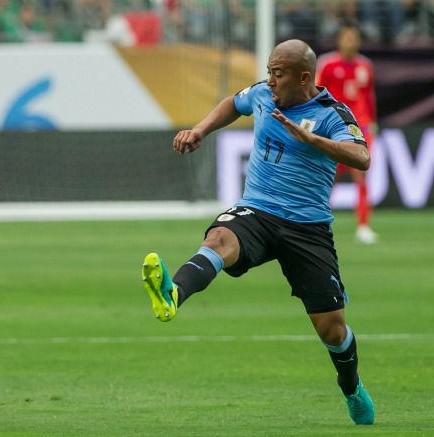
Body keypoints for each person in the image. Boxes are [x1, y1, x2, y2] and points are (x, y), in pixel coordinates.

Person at [142, 39, 375, 425]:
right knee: (219, 238)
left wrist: (314, 141)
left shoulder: (332, 114)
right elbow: (234, 103)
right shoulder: (264, 94)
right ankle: (173, 293)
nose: (269, 81)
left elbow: (362, 157)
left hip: (307, 228)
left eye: (277, 74)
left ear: (303, 77)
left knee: (333, 331)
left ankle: (351, 388)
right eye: (268, 71)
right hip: (258, 211)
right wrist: (201, 129)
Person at [316, 23, 378, 244]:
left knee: (361, 175)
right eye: (347, 37)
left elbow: (369, 97)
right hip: (334, 128)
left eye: (354, 37)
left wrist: (373, 123)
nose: (351, 41)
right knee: (327, 177)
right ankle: (317, 223)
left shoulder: (365, 66)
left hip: (360, 128)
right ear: (339, 40)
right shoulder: (327, 64)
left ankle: (363, 226)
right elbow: (318, 94)